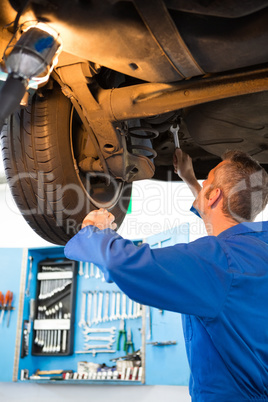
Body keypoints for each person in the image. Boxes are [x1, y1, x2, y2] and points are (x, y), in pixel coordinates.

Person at [64, 149, 268, 402]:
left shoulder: (218, 262)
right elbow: (223, 227)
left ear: (214, 195)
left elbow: (122, 263)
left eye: (207, 184)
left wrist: (94, 231)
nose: (203, 187)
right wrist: (193, 182)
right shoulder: (256, 249)